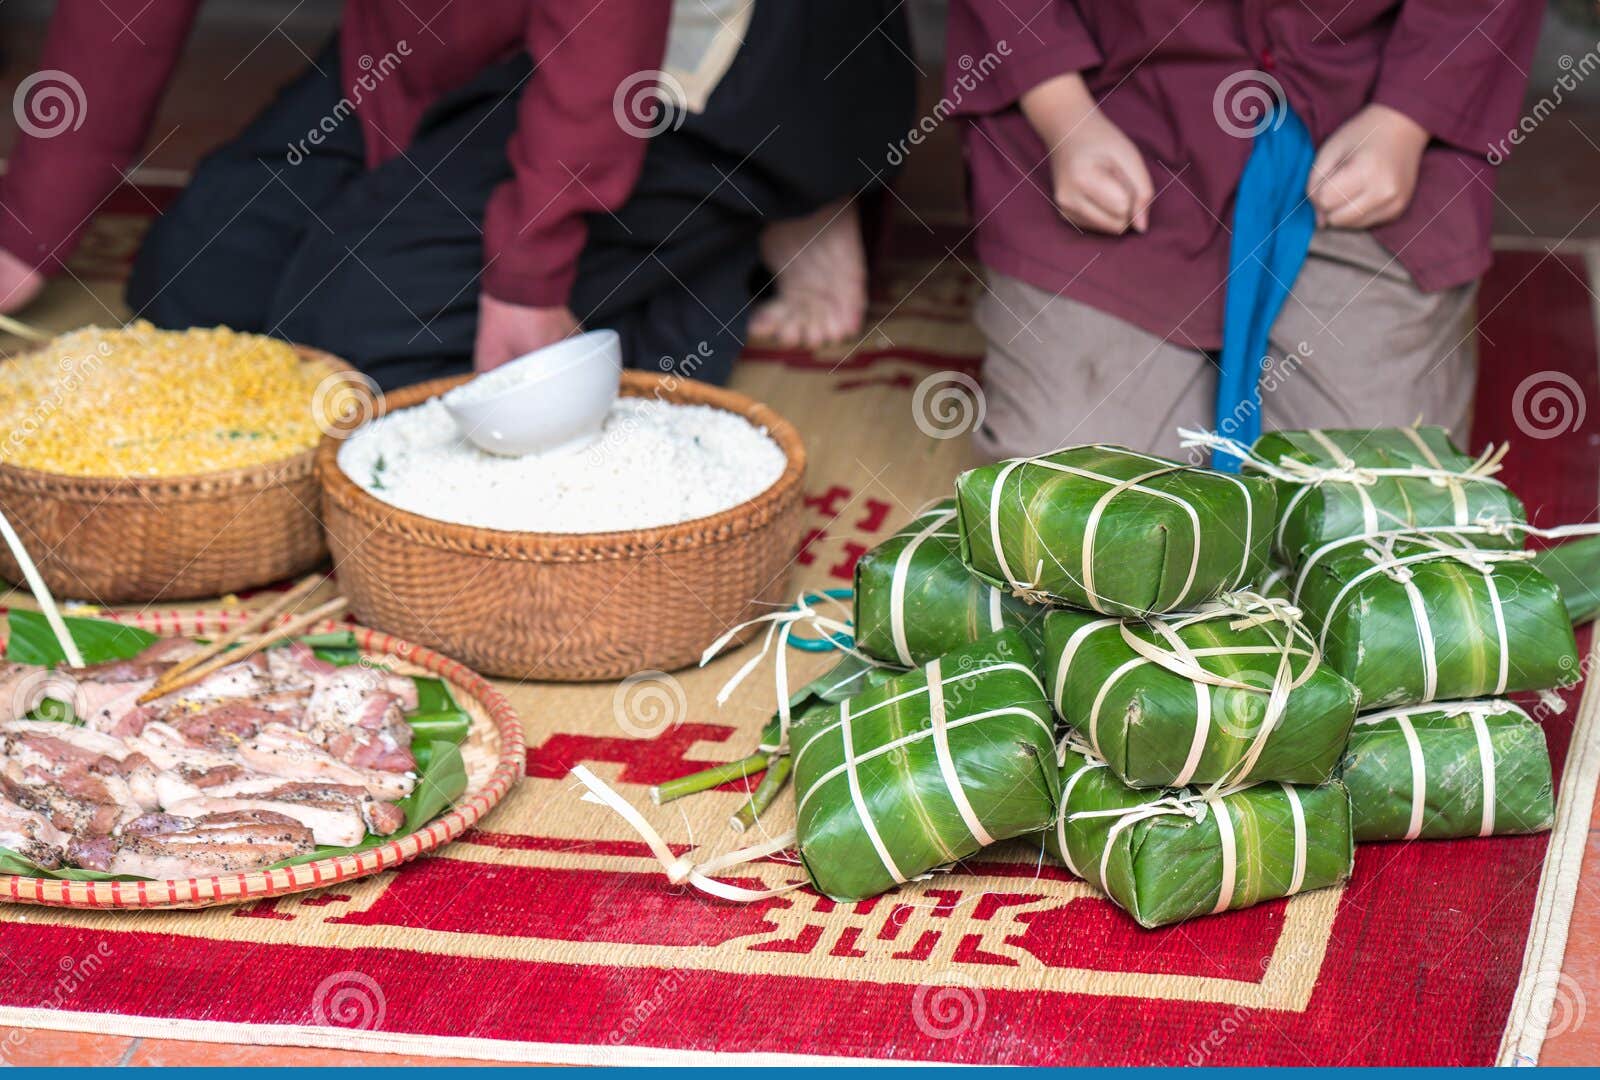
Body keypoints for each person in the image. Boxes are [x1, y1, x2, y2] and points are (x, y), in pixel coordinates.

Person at [0, 1, 913, 389]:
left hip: (682, 47)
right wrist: (25, 229)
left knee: (361, 344)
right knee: (197, 287)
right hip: (447, 44)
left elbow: (602, 28)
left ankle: (786, 187)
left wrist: (532, 272)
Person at [944, 1, 1543, 460]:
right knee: (1078, 503)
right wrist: (1062, 114)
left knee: (1372, 506)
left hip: (1359, 132)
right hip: (1116, 111)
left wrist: (1408, 117)